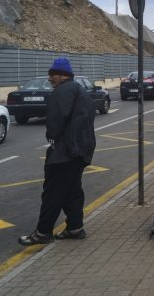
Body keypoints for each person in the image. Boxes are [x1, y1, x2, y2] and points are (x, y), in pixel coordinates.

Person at [18, 58, 97, 246]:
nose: (49, 78)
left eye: (52, 74)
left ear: (62, 75)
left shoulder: (61, 92)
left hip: (65, 152)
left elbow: (54, 124)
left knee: (52, 192)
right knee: (72, 190)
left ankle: (43, 232)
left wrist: (52, 140)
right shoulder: (81, 91)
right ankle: (75, 228)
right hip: (82, 150)